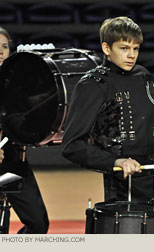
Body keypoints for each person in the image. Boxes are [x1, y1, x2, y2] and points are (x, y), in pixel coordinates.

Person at [62, 17, 154, 202]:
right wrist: (116, 162)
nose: (131, 55)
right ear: (106, 48)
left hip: (153, 178)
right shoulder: (92, 85)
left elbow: (148, 129)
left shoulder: (143, 76)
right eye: (124, 48)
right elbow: (72, 146)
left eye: (135, 49)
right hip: (120, 187)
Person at [0, 26, 49, 233]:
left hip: (13, 163)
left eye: (4, 46)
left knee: (38, 224)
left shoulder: (17, 85)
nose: (1, 51)